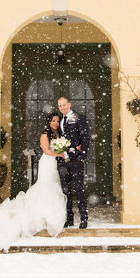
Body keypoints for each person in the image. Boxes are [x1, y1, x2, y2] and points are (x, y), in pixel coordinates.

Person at [0, 113, 67, 251]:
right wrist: (60, 154)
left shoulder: (58, 134)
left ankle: (49, 213)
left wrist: (63, 151)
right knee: (46, 186)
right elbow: (46, 150)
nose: (56, 123)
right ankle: (43, 214)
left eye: (57, 121)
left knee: (54, 186)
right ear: (49, 122)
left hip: (56, 164)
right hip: (48, 163)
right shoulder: (45, 134)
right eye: (53, 121)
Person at [56, 96, 90, 229]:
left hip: (76, 159)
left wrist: (82, 156)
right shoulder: (59, 120)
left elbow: (85, 137)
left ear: (69, 105)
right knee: (66, 190)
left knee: (79, 189)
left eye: (64, 105)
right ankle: (69, 219)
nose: (62, 107)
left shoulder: (79, 117)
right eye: (59, 106)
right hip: (63, 161)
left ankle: (84, 218)